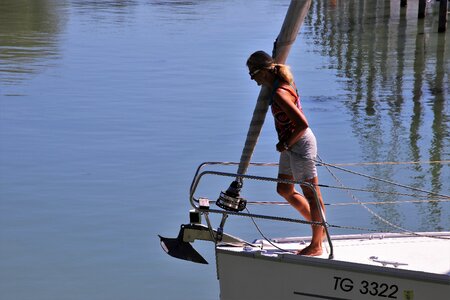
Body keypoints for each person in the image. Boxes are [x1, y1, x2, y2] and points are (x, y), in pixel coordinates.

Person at [247, 50, 326, 256]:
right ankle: (320, 229)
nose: (253, 81)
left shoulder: (281, 93)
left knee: (312, 194)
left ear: (263, 72)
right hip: (290, 144)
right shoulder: (277, 87)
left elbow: (302, 124)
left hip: (299, 144)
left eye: (252, 75)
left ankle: (317, 244)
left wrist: (285, 144)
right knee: (284, 189)